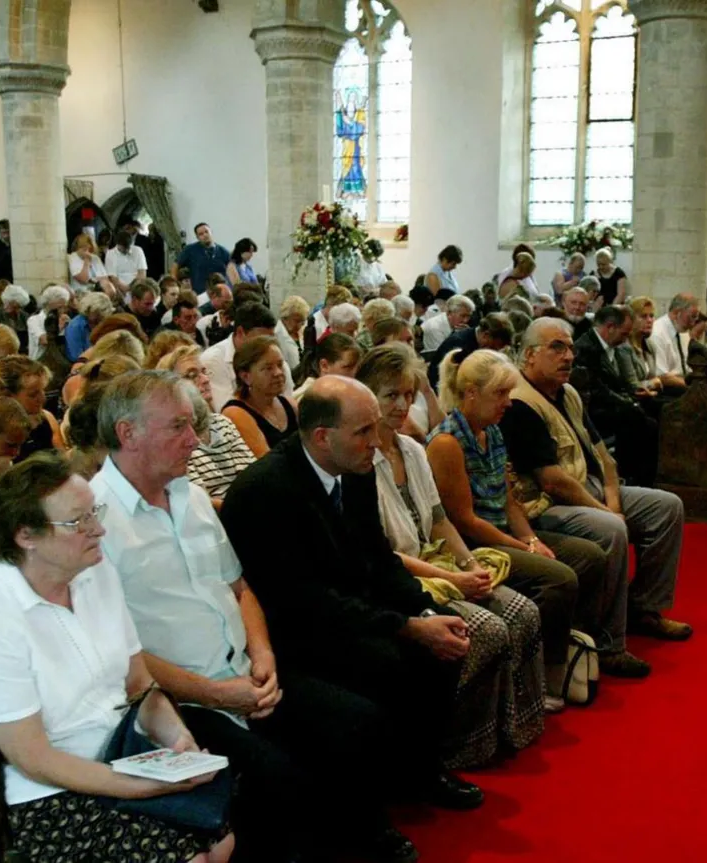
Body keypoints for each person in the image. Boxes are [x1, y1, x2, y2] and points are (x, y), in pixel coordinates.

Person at [90, 371, 415, 863]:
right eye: (178, 426)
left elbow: (240, 587)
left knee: (357, 721)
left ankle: (359, 836)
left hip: (243, 671)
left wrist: (262, 656)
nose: (195, 440)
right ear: (128, 434)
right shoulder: (94, 521)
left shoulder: (191, 497)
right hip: (177, 700)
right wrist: (220, 694)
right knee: (277, 776)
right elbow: (117, 655)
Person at [0, 454, 235, 863]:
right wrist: (142, 785)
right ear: (27, 535)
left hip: (123, 752)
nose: (99, 529)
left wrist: (177, 740)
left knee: (223, 840)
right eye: (79, 522)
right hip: (48, 792)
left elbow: (139, 685)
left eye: (94, 511)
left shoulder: (95, 572)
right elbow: (35, 759)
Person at [219, 378, 487, 830]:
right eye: (364, 431)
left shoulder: (354, 466)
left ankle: (420, 771)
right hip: (293, 634)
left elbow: (377, 558)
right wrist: (403, 626)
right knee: (381, 681)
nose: (376, 442)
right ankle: (363, 818)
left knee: (443, 642)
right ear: (323, 436)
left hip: (344, 613)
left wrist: (424, 611)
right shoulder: (266, 491)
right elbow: (300, 600)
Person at [358, 344, 552, 750]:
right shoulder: (360, 459)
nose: (401, 404)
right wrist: (454, 577)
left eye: (408, 395)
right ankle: (465, 745)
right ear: (367, 396)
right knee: (485, 629)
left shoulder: (411, 449)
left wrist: (468, 564)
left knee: (523, 611)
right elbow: (383, 554)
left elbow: (442, 520)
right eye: (390, 395)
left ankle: (514, 728)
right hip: (402, 574)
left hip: (437, 559)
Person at [501, 318, 692, 675]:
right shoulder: (519, 401)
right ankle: (607, 643)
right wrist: (606, 511)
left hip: (589, 488)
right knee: (609, 528)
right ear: (529, 355)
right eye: (557, 347)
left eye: (571, 347)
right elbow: (552, 480)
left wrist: (614, 502)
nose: (569, 356)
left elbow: (603, 456)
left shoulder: (568, 392)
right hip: (548, 505)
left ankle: (644, 607)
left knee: (666, 507)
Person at [426, 348, 606, 700]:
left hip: (501, 532)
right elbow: (465, 521)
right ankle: (548, 673)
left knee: (590, 555)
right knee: (559, 578)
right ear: (472, 393)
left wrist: (530, 538)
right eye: (500, 394)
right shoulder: (447, 442)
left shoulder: (491, 431)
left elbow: (509, 501)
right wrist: (523, 547)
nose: (508, 402)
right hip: (471, 544)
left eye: (509, 393)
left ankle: (567, 644)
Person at [570, 305, 659, 485]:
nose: (625, 339)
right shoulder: (587, 348)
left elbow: (620, 383)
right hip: (594, 409)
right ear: (610, 327)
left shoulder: (613, 346)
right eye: (624, 334)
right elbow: (597, 389)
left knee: (654, 410)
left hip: (609, 403)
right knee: (638, 420)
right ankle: (632, 477)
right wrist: (627, 403)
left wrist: (631, 398)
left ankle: (644, 475)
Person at [156, 346, 255, 505]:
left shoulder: (222, 422)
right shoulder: (173, 440)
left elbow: (253, 475)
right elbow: (200, 501)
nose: (205, 379)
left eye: (204, 372)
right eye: (192, 375)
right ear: (169, 388)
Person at [201, 302, 288, 412]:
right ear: (240, 332)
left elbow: (287, 399)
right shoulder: (213, 360)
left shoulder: (273, 354)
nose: (267, 345)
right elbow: (226, 411)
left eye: (271, 338)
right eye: (260, 339)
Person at [222, 335, 299, 457]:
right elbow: (265, 463)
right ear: (246, 377)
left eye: (280, 365)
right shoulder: (234, 413)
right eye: (268, 368)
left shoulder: (290, 405)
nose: (278, 373)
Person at [0, 355, 67, 460]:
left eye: (42, 390)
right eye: (33, 395)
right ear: (7, 396)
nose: (42, 399)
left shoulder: (47, 418)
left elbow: (63, 461)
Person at [428, 311, 513, 388]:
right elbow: (451, 381)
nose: (494, 352)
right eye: (494, 348)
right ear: (485, 335)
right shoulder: (459, 344)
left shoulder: (475, 340)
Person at [292, 331, 362, 399]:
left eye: (358, 368)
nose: (355, 373)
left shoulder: (349, 392)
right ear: (324, 366)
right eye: (348, 367)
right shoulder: (307, 398)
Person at [648, 292, 697, 384]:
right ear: (676, 313)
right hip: (667, 390)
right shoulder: (657, 333)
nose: (693, 323)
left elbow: (688, 368)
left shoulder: (683, 332)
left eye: (695, 318)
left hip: (683, 385)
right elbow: (662, 376)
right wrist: (691, 387)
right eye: (691, 317)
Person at [175, 223, 231, 294]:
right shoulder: (190, 250)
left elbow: (232, 271)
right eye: (201, 234)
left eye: (206, 232)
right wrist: (175, 286)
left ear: (211, 232)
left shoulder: (223, 252)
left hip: (220, 294)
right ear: (197, 237)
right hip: (200, 294)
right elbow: (175, 266)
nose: (205, 235)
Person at [27, 285, 71, 362]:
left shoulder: (65, 320)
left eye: (65, 307)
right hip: (40, 362)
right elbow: (44, 341)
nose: (63, 311)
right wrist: (59, 327)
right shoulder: (34, 320)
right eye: (59, 307)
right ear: (47, 305)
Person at [104, 229, 148, 297]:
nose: (127, 250)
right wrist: (125, 289)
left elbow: (142, 274)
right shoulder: (110, 254)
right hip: (119, 289)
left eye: (128, 248)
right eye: (124, 248)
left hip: (137, 287)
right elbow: (113, 277)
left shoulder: (138, 250)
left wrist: (133, 288)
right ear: (118, 244)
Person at [275, 294, 310, 375]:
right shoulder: (276, 335)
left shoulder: (304, 329)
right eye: (297, 321)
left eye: (303, 321)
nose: (300, 325)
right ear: (285, 317)